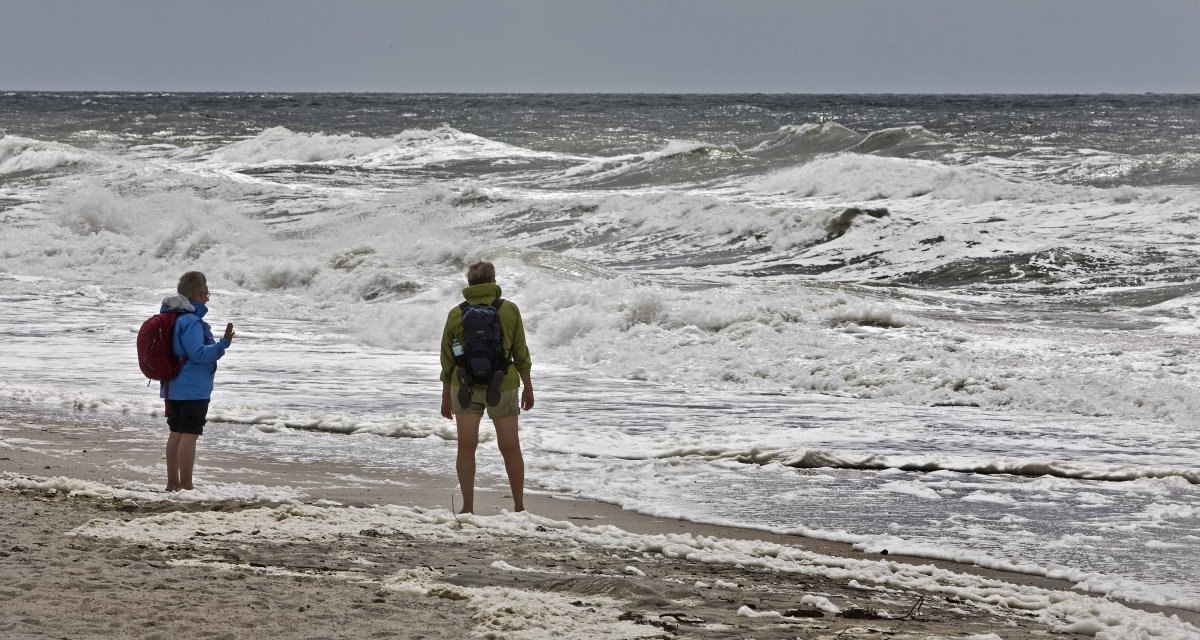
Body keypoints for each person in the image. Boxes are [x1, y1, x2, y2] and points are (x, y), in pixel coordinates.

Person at [439, 261, 534, 513]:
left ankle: (467, 507)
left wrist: (445, 395)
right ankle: (519, 507)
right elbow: (520, 351)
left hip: (464, 385)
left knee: (466, 447)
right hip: (502, 384)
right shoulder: (509, 310)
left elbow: (447, 357)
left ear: (469, 285)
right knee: (510, 446)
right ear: (493, 280)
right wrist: (528, 386)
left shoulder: (456, 313)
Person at [160, 271, 234, 492]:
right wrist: (223, 344)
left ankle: (172, 483)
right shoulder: (191, 322)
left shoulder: (175, 317)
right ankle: (186, 485)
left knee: (176, 432)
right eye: (206, 293)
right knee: (190, 434)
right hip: (191, 389)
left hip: (174, 386)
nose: (208, 298)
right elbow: (199, 354)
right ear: (195, 294)